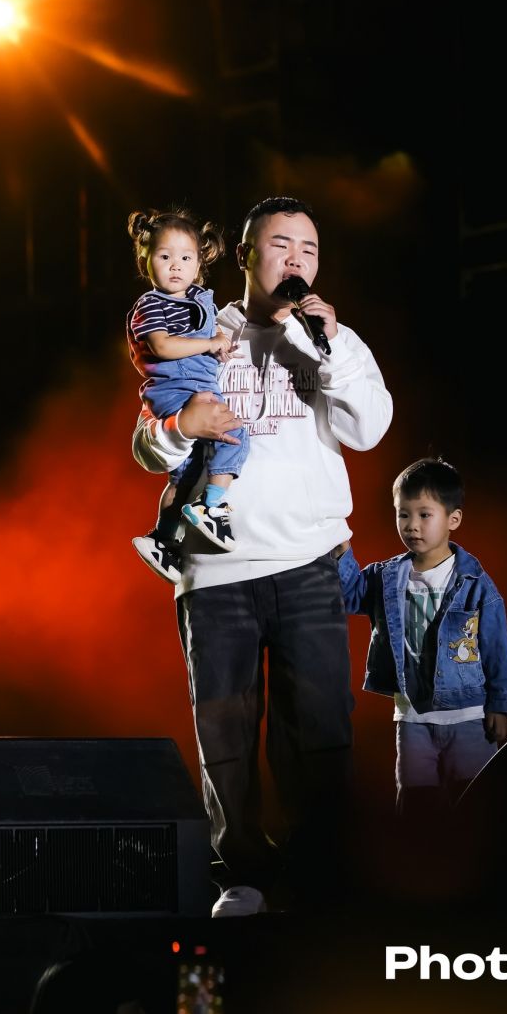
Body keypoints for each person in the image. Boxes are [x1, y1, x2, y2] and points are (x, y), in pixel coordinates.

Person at [131, 195, 393, 917]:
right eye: (281, 246)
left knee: (319, 729)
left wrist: (328, 349)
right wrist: (180, 427)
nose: (296, 260)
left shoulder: (334, 339)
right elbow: (148, 445)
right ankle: (241, 876)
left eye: (309, 250)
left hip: (309, 562)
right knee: (224, 731)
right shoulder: (197, 327)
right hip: (215, 571)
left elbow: (370, 428)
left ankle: (319, 876)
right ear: (247, 256)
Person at [335, 456, 507, 825]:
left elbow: (496, 645)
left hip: (468, 715)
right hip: (413, 717)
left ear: (453, 519)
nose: (411, 525)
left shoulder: (475, 583)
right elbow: (350, 596)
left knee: (474, 804)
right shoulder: (387, 576)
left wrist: (500, 703)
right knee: (417, 805)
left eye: (424, 514)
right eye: (403, 514)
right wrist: (340, 551)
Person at [126, 207, 249, 584]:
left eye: (185, 258)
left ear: (198, 264)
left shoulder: (199, 299)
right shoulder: (151, 305)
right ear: (147, 262)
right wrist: (208, 343)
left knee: (184, 474)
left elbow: (205, 337)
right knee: (236, 434)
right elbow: (162, 346)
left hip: (192, 384)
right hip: (176, 388)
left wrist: (218, 343)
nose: (175, 266)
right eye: (165, 257)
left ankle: (164, 539)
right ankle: (212, 506)